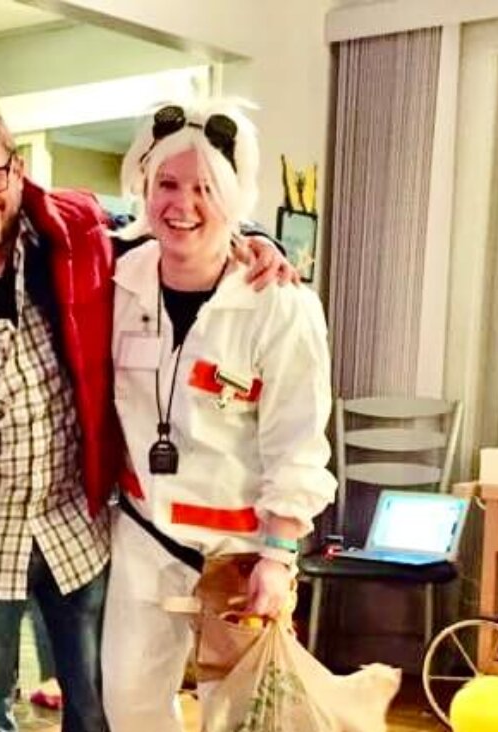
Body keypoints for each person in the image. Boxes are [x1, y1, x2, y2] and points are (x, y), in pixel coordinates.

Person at [0, 88, 295, 732]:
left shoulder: (79, 235)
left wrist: (253, 240)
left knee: (98, 707)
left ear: (15, 168)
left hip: (79, 527)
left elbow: (174, 220)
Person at [101, 99, 337, 732]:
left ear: (234, 196)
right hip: (143, 540)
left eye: (205, 188)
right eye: (167, 185)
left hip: (240, 554)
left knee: (242, 721)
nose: (183, 206)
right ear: (142, 188)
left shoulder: (280, 306)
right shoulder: (116, 281)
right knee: (130, 708)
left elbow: (297, 442)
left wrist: (279, 558)